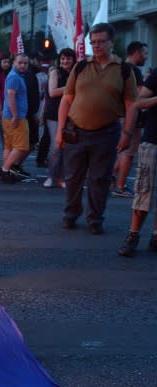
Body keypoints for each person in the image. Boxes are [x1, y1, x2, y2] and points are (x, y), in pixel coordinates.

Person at [56, 23, 138, 235]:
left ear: (112, 42)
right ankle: (70, 214)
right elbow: (66, 99)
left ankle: (95, 218)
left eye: (101, 41)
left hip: (106, 133)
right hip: (76, 131)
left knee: (100, 179)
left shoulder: (124, 70)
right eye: (93, 42)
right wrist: (60, 131)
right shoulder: (81, 66)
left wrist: (127, 133)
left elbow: (131, 105)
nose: (97, 45)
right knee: (73, 176)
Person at [118, 70, 157, 256]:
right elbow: (138, 103)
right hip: (153, 141)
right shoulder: (156, 74)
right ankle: (133, 235)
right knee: (144, 189)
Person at [112, 41, 149, 198]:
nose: (146, 57)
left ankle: (111, 178)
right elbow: (139, 97)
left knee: (121, 151)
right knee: (129, 152)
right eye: (145, 53)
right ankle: (120, 186)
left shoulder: (120, 67)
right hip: (131, 117)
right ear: (137, 53)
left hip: (119, 114)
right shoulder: (135, 71)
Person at [42, 48, 75, 189]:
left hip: (72, 114)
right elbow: (53, 92)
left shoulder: (75, 73)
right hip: (54, 114)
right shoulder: (55, 72)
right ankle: (51, 176)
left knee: (68, 148)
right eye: (62, 58)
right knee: (56, 146)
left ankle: (62, 177)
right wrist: (72, 87)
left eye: (68, 58)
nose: (65, 61)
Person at [0, 54, 31, 184]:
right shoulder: (14, 77)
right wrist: (16, 115)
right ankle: (5, 169)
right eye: (20, 63)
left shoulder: (14, 76)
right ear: (14, 63)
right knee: (21, 147)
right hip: (16, 117)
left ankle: (7, 170)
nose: (23, 65)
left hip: (9, 116)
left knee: (9, 146)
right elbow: (11, 96)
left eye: (25, 63)